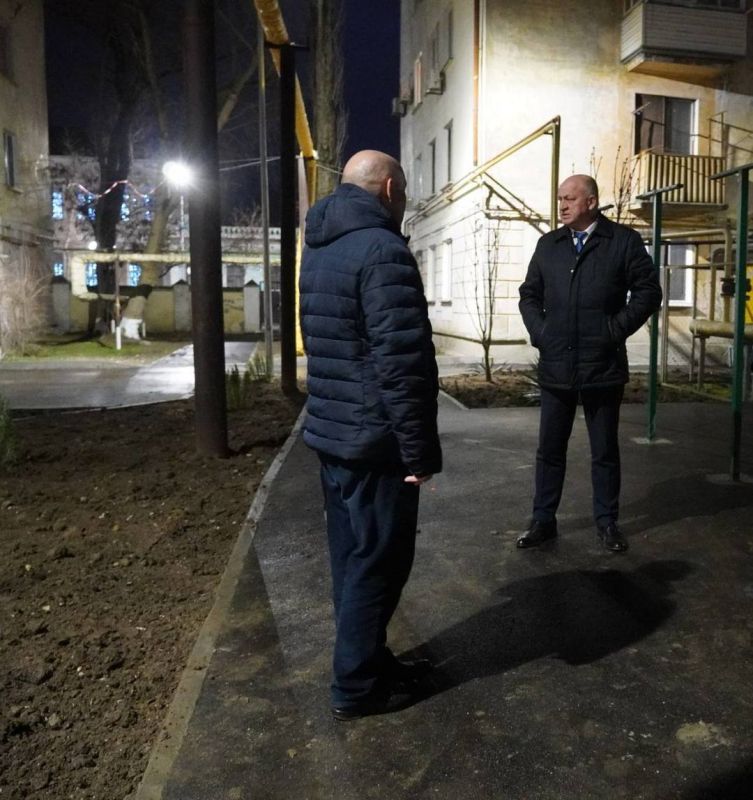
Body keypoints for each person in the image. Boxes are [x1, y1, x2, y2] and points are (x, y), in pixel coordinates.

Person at [299, 150, 442, 721]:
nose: (403, 201)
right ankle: (356, 686)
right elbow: (400, 361)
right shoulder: (383, 250)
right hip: (375, 440)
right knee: (379, 563)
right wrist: (418, 452)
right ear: (387, 190)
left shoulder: (321, 243)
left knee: (351, 558)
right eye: (402, 192)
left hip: (333, 432)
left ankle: (371, 661)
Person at [517, 174, 661, 553]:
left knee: (605, 451)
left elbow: (648, 292)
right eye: (560, 198)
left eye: (570, 198)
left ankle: (607, 523)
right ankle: (543, 520)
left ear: (592, 202)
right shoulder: (549, 245)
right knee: (550, 450)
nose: (562, 205)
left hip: (602, 364)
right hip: (557, 364)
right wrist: (542, 333)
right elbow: (529, 295)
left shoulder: (623, 241)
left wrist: (613, 330)